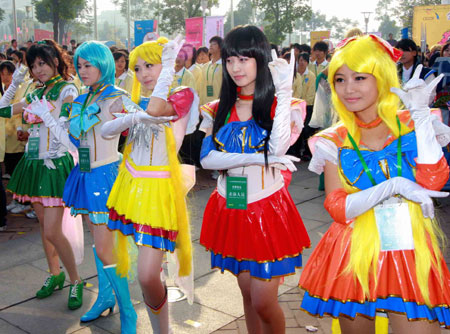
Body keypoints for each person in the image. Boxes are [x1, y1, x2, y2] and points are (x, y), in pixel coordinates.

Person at [299, 34, 450, 333]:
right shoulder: (335, 139)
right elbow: (336, 206)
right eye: (339, 79)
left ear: (380, 75)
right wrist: (392, 186)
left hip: (407, 243)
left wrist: (420, 116)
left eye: (359, 77)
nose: (348, 88)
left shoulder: (412, 122)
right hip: (352, 247)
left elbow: (435, 179)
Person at [200, 25, 310, 334]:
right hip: (231, 208)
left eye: (244, 59)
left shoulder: (281, 106)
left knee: (263, 300)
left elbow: (277, 149)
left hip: (267, 210)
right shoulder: (217, 109)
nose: (235, 67)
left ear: (260, 60)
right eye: (230, 60)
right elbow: (208, 159)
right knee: (247, 295)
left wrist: (285, 93)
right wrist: (255, 158)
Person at [25, 41, 137, 333]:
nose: (83, 71)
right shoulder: (81, 100)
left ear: (104, 64)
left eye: (89, 65)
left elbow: (142, 126)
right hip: (85, 174)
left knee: (105, 247)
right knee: (102, 245)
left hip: (107, 175)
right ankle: (104, 298)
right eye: (80, 66)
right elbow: (72, 140)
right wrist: (49, 117)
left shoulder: (118, 97)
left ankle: (129, 313)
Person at [103, 36, 197, 334]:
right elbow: (107, 130)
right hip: (131, 189)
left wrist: (168, 66)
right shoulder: (133, 99)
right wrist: (126, 117)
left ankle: (163, 330)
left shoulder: (183, 95)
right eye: (138, 67)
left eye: (151, 65)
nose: (143, 74)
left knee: (146, 275)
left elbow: (157, 109)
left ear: (168, 65)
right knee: (145, 271)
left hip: (158, 193)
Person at [0, 40, 83, 309]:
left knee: (52, 230)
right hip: (34, 163)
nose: (38, 70)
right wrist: (14, 84)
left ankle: (76, 280)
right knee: (44, 229)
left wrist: (46, 115)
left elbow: (70, 131)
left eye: (42, 63)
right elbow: (2, 110)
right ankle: (54, 273)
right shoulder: (36, 91)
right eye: (34, 65)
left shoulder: (67, 89)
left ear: (55, 61)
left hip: (54, 164)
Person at [199, 36, 223, 106]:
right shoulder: (205, 66)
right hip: (205, 106)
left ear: (220, 47)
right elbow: (202, 86)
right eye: (210, 44)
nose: (211, 46)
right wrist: (200, 104)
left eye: (214, 44)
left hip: (219, 105)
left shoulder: (224, 66)